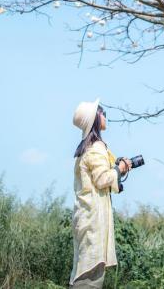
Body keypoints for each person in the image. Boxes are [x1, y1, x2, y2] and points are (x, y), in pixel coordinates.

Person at [69, 98, 132, 289]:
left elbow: (99, 180)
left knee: (85, 267)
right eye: (102, 112)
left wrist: (117, 173)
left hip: (86, 216)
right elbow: (102, 179)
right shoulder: (96, 147)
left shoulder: (86, 148)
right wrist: (120, 169)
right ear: (95, 119)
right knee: (90, 273)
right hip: (93, 220)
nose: (105, 115)